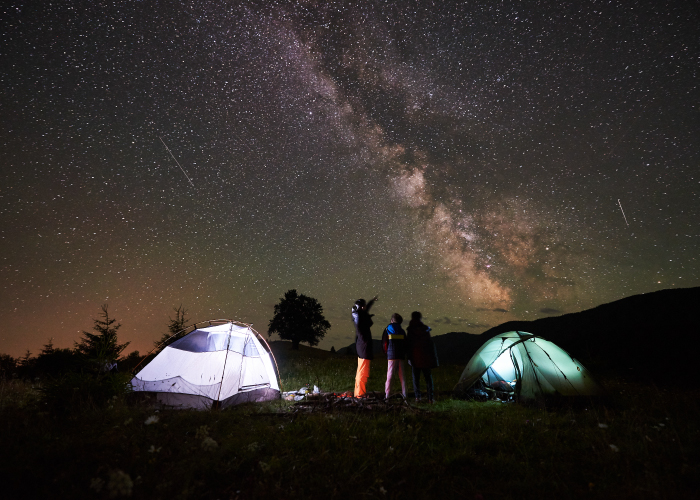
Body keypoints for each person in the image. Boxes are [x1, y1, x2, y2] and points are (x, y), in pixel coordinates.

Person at [406, 311, 438, 403]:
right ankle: (430, 398)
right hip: (425, 357)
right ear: (420, 318)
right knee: (428, 378)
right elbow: (429, 344)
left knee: (416, 378)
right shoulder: (425, 329)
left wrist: (409, 357)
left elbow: (409, 345)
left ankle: (417, 397)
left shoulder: (410, 330)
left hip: (415, 358)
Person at [352, 295, 378, 397]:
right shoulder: (361, 320)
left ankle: (358, 393)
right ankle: (360, 395)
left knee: (360, 372)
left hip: (361, 347)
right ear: (362, 307)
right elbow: (366, 317)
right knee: (363, 373)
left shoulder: (358, 315)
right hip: (364, 349)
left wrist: (371, 301)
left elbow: (364, 311)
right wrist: (368, 317)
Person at [382, 313, 407, 400]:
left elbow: (384, 343)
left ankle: (387, 396)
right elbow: (405, 343)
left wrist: (386, 353)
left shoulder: (387, 329)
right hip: (400, 356)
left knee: (390, 376)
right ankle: (405, 396)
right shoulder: (402, 331)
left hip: (391, 356)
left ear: (392, 320)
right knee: (402, 377)